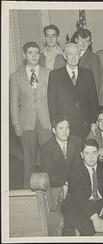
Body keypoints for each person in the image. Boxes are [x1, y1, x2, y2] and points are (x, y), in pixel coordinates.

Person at [10, 41, 52, 188]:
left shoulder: (48, 73)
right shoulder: (16, 76)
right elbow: (13, 103)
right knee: (28, 159)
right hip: (26, 122)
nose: (34, 56)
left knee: (49, 156)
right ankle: (28, 191)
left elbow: (52, 99)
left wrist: (53, 122)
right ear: (24, 55)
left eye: (36, 53)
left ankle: (52, 189)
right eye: (30, 53)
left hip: (45, 121)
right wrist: (16, 123)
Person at [62, 139, 103, 236]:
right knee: (71, 214)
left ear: (98, 153)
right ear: (82, 155)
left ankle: (89, 227)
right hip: (80, 204)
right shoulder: (74, 171)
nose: (91, 157)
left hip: (99, 202)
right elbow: (78, 198)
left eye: (94, 153)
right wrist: (94, 217)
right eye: (87, 153)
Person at [48, 43, 98, 140]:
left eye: (76, 54)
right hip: (64, 125)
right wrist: (55, 124)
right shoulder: (55, 75)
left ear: (80, 56)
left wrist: (93, 122)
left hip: (84, 123)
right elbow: (52, 103)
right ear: (65, 56)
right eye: (70, 54)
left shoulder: (87, 74)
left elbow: (93, 99)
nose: (73, 57)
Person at [37, 117, 82, 187]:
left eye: (67, 128)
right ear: (54, 131)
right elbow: (49, 174)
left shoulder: (77, 142)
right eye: (61, 128)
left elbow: (79, 166)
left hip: (76, 183)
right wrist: (65, 183)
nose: (65, 132)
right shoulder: (46, 148)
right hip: (56, 186)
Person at [75, 28, 101, 100]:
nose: (83, 43)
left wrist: (93, 100)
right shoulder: (70, 55)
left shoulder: (94, 58)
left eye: (86, 41)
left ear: (89, 43)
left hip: (86, 98)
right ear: (76, 40)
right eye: (81, 40)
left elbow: (96, 82)